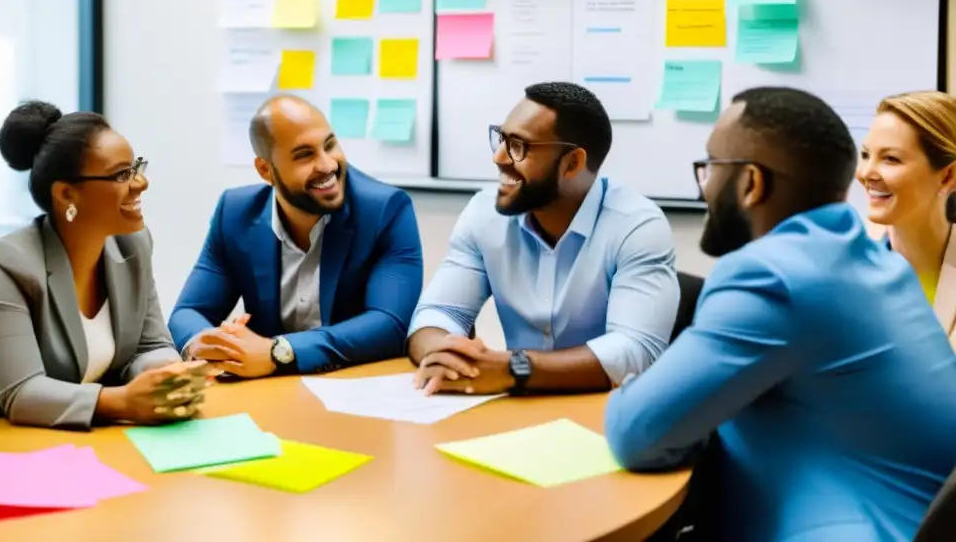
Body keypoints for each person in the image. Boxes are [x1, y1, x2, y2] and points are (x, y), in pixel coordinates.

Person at [604, 87, 956, 542]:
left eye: (711, 167)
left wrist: (640, 394)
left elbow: (637, 434)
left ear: (752, 182)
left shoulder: (773, 276)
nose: (705, 184)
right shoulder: (873, 263)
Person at [0, 101, 206, 434]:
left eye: (136, 166)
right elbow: (23, 393)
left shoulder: (133, 245)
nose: (140, 183)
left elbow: (150, 345)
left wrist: (167, 375)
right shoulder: (5, 263)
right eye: (122, 174)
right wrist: (123, 401)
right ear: (66, 194)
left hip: (69, 439)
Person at [407, 82, 679, 396]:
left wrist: (514, 369)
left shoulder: (636, 225)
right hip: (515, 413)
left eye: (519, 146)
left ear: (573, 163)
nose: (498, 157)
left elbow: (634, 351)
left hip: (605, 415)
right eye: (501, 138)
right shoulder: (484, 214)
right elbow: (439, 312)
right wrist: (444, 353)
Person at [168, 95, 423, 377]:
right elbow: (187, 313)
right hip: (269, 391)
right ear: (266, 170)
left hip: (353, 385)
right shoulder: (235, 213)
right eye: (305, 155)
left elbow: (389, 324)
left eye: (329, 145)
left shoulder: (385, 210)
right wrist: (211, 344)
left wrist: (280, 351)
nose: (327, 165)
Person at [856, 91, 956, 345]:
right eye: (866, 155)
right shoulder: (842, 262)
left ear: (948, 176)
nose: (866, 173)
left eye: (890, 159)